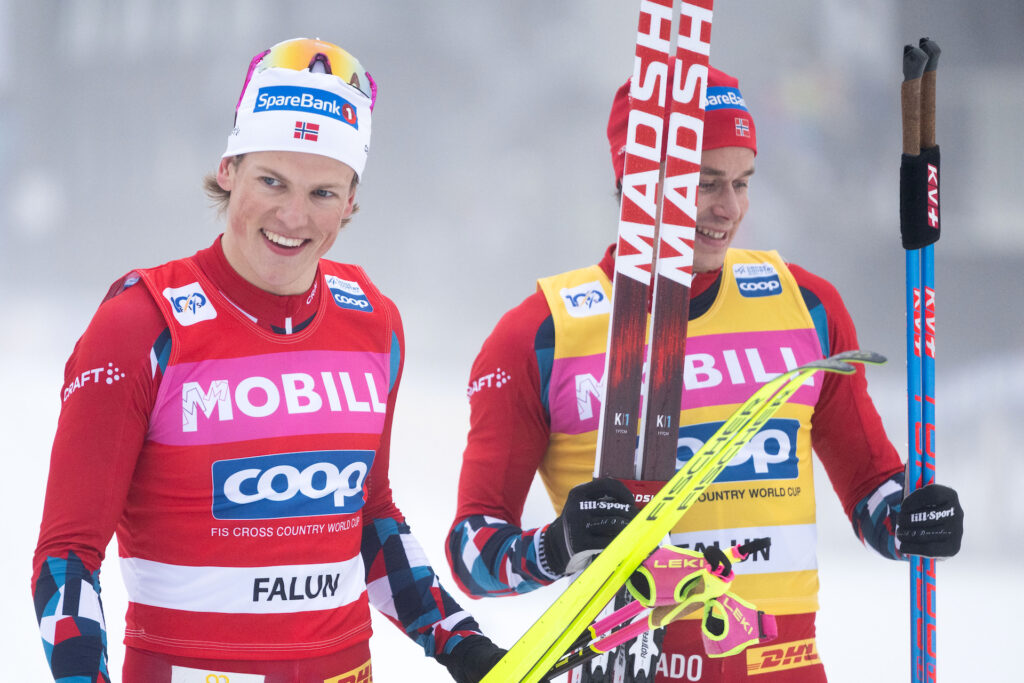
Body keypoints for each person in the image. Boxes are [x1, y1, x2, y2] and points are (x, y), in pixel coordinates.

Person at [445, 66, 963, 681]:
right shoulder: (542, 334)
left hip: (785, 667)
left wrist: (910, 522)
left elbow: (872, 489)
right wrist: (555, 546)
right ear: (637, 184)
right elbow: (472, 552)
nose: (731, 208)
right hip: (636, 665)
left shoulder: (806, 307)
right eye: (706, 184)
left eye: (743, 182)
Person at [32, 37, 505, 683]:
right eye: (272, 181)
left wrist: (462, 644)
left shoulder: (373, 321)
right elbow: (67, 557)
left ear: (353, 200)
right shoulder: (141, 323)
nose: (292, 216)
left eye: (323, 193)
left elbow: (371, 516)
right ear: (229, 168)